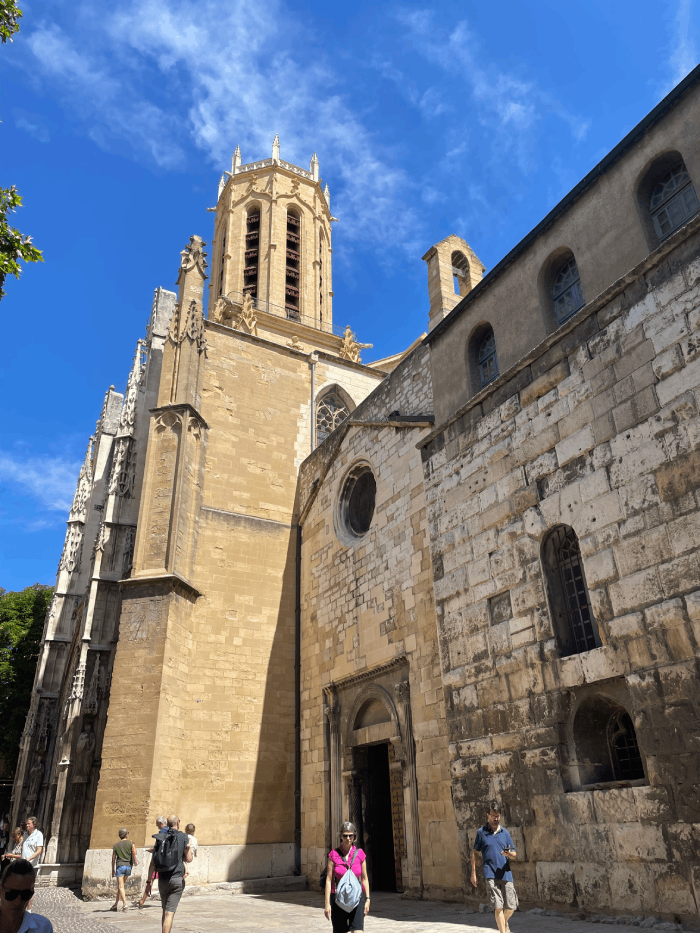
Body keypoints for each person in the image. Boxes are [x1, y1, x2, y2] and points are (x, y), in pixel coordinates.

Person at [471, 802, 518, 933]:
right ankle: (503, 931)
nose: (495, 818)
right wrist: (473, 873)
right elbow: (475, 852)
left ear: (500, 816)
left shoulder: (505, 833)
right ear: (488, 815)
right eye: (493, 816)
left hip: (506, 873)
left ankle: (504, 923)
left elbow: (514, 854)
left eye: (497, 816)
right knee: (498, 906)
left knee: (511, 906)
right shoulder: (481, 833)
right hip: (490, 873)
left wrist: (509, 854)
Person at [147, 815, 191, 933]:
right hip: (177, 878)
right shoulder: (183, 836)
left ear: (167, 823)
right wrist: (188, 850)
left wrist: (148, 882)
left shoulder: (161, 837)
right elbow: (189, 859)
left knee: (164, 911)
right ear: (178, 822)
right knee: (169, 913)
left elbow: (152, 863)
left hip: (163, 879)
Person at [324, 821, 369, 932]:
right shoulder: (333, 854)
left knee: (358, 931)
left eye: (350, 835)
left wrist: (367, 899)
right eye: (345, 835)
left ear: (354, 836)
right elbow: (329, 880)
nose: (348, 838)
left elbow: (364, 878)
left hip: (357, 899)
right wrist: (327, 904)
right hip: (338, 899)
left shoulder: (360, 854)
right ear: (341, 836)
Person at [0, 859, 52, 933]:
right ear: (0, 890)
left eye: (26, 894)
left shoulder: (43, 927)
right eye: (12, 894)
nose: (18, 902)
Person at [138, 817, 167, 909]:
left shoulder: (162, 832)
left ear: (160, 823)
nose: (156, 825)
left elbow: (159, 847)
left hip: (158, 860)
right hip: (167, 860)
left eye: (157, 824)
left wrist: (153, 851)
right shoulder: (171, 831)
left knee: (150, 879)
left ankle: (143, 900)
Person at [110, 828, 138, 912]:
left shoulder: (116, 845)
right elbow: (135, 853)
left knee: (121, 887)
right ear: (126, 835)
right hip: (128, 867)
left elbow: (113, 859)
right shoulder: (131, 843)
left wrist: (112, 869)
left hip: (120, 866)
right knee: (121, 887)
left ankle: (125, 905)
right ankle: (115, 905)